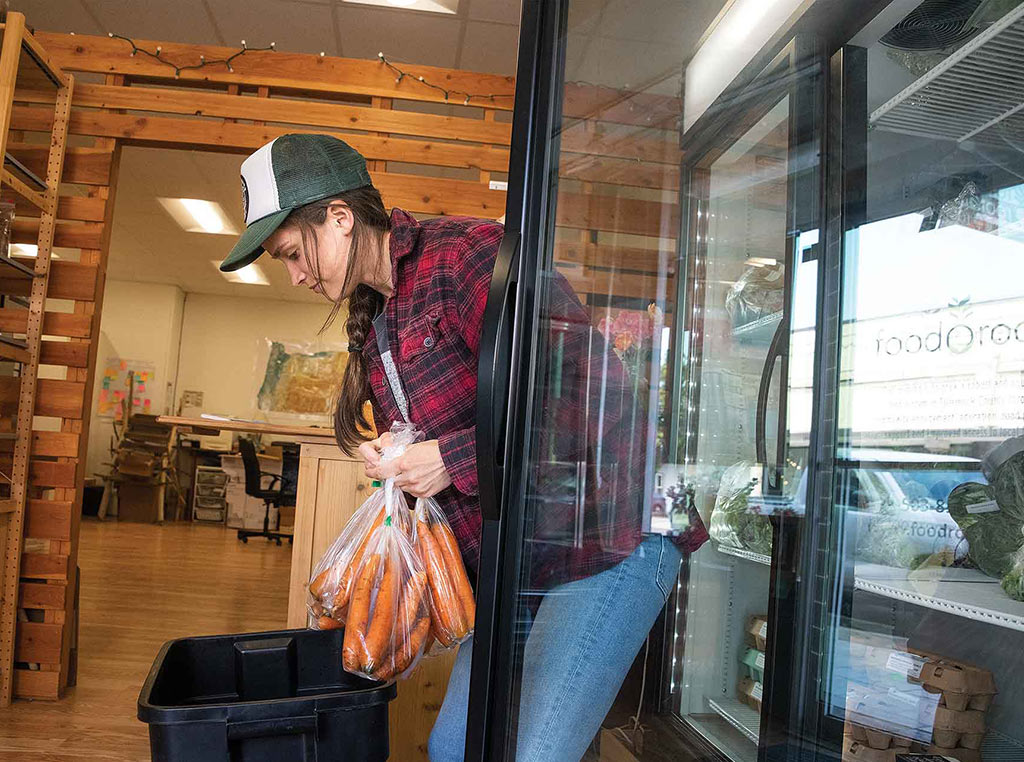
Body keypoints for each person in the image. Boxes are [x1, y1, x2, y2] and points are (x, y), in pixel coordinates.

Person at [220, 133, 708, 762]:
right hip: (520, 563)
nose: (294, 276)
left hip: (612, 538)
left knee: (532, 754)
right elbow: (473, 425)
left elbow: (582, 396)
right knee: (454, 749)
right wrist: (401, 455)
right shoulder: (379, 317)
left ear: (339, 218)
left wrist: (451, 458)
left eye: (292, 253)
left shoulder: (465, 256)